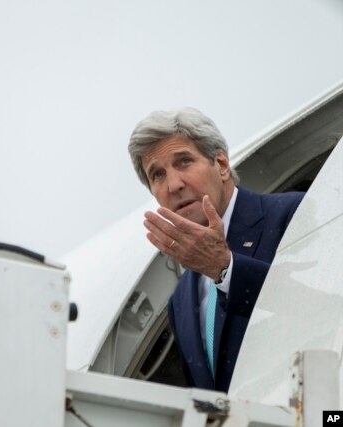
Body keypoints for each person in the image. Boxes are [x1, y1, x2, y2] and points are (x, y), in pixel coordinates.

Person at [128, 107, 304, 392]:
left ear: (221, 164)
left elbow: (323, 303)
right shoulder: (180, 300)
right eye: (157, 175)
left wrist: (226, 269)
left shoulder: (295, 214)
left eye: (184, 161)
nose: (174, 185)